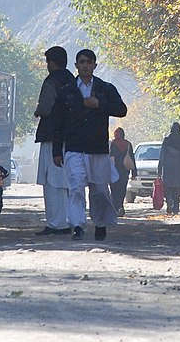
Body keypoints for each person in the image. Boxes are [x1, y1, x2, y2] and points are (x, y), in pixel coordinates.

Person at [52, 48, 127, 240]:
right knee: (76, 188)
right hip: (74, 147)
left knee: (100, 190)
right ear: (76, 66)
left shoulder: (105, 88)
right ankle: (77, 225)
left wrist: (99, 104)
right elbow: (57, 121)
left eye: (89, 62)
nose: (85, 65)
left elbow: (121, 109)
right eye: (82, 62)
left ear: (94, 65)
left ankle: (100, 223)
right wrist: (56, 150)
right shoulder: (67, 92)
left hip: (97, 148)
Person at [33, 46, 78, 235]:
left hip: (52, 137)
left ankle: (56, 223)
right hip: (70, 137)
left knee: (52, 182)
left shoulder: (52, 80)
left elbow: (45, 107)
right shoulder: (72, 80)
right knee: (67, 182)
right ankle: (69, 220)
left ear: (52, 62)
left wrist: (38, 111)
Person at [158, 122, 180, 215]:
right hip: (179, 167)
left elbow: (162, 156)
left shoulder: (167, 139)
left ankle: (169, 202)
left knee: (168, 188)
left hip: (168, 168)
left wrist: (159, 170)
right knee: (177, 189)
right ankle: (176, 207)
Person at [108, 127, 135, 216]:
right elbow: (132, 158)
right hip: (124, 171)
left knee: (114, 190)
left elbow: (110, 157)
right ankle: (120, 206)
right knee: (122, 189)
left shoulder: (113, 144)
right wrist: (134, 172)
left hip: (115, 171)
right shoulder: (128, 144)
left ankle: (116, 207)